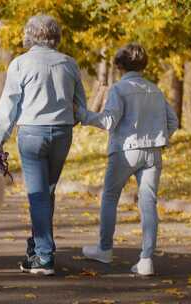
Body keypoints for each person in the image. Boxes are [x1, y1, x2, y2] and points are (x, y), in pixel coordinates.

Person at [0, 14, 88, 275]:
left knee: (38, 195)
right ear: (56, 36)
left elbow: (8, 109)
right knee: (47, 192)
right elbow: (81, 107)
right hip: (62, 134)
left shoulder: (20, 64)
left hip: (32, 134)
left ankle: (44, 257)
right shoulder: (70, 64)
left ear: (29, 35)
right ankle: (37, 247)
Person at [76, 43, 179, 276]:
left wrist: (83, 115)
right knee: (148, 203)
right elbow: (172, 122)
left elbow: (109, 122)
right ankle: (146, 259)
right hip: (153, 152)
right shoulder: (155, 90)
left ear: (119, 66)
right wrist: (158, 137)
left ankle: (104, 249)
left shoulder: (119, 89)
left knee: (110, 196)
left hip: (125, 150)